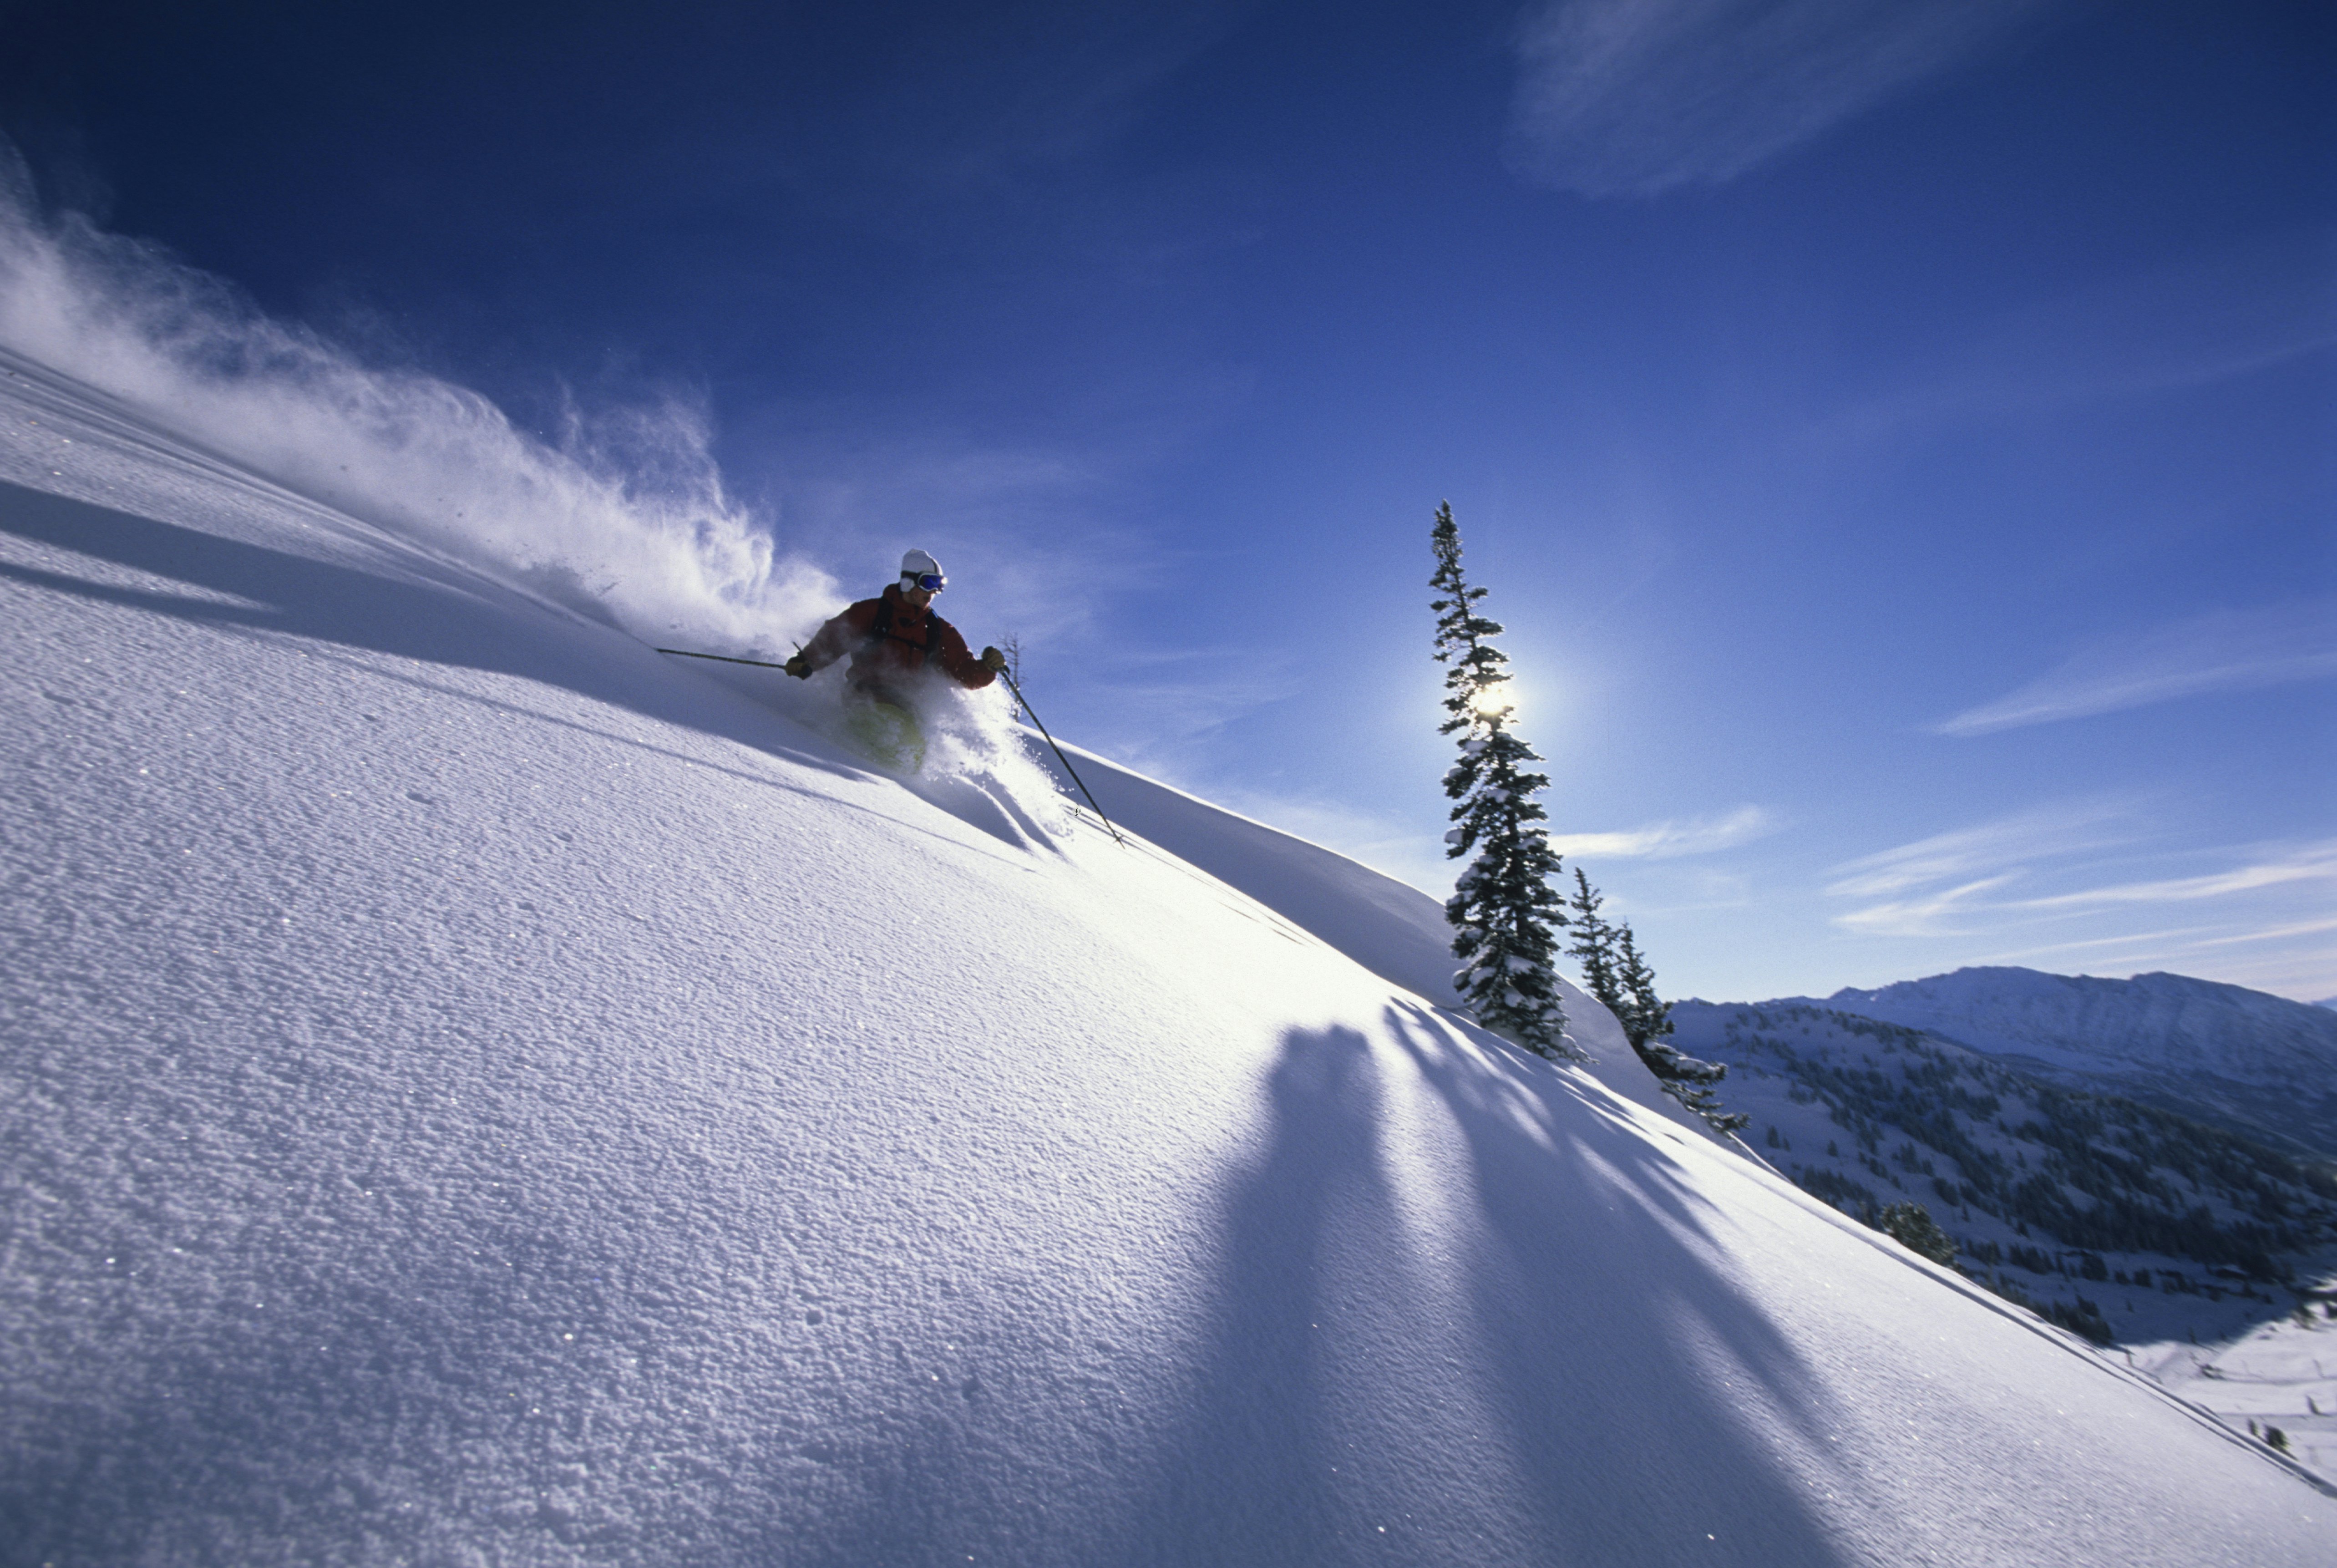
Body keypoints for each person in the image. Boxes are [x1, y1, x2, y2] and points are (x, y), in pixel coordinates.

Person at [785, 548, 1007, 703]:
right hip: (864, 697)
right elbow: (833, 638)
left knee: (905, 732)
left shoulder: (939, 630)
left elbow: (964, 673)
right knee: (879, 716)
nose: (933, 592)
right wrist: (805, 661)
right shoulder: (872, 612)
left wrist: (987, 668)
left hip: (907, 707)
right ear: (909, 581)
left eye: (939, 585)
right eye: (929, 583)